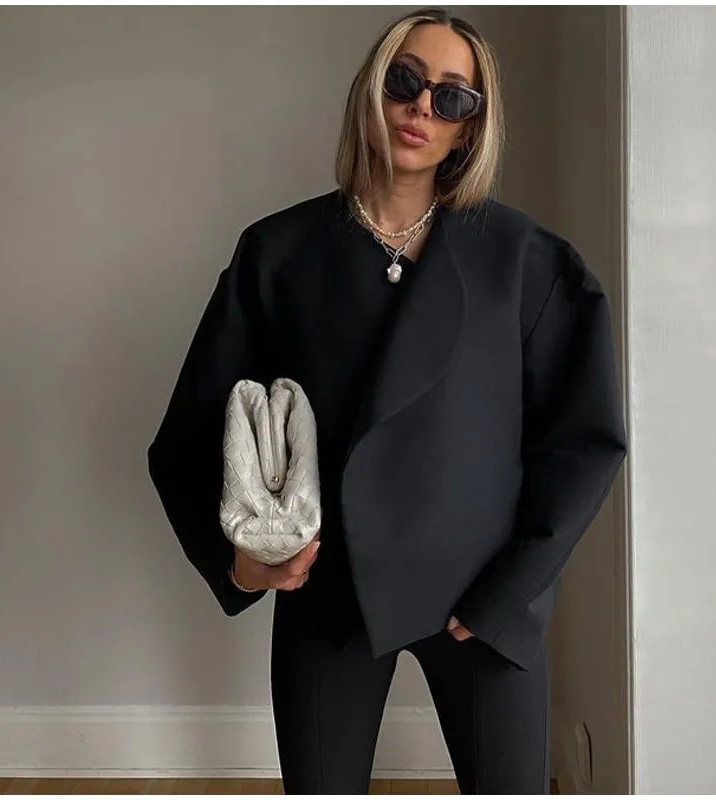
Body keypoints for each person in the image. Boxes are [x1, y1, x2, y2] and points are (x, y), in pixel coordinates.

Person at [147, 6, 627, 794]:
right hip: (330, 589)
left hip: (483, 592)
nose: (421, 107)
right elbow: (193, 428)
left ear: (469, 128)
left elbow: (582, 439)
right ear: (372, 89)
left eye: (452, 96)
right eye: (405, 81)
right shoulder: (280, 253)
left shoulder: (526, 261)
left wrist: (511, 588)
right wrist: (240, 563)